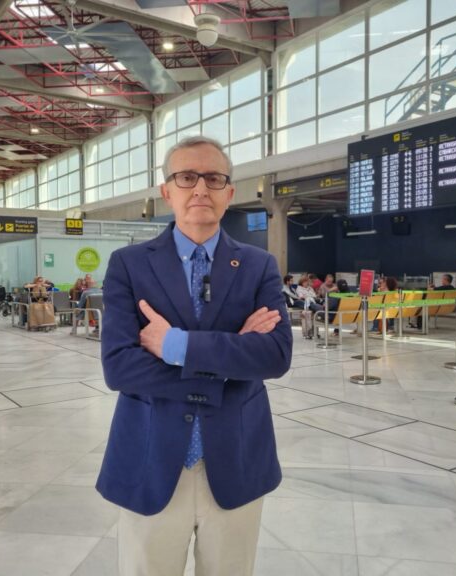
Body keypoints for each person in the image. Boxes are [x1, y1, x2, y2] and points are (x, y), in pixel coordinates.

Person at [97, 136, 292, 576]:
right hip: (152, 457)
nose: (200, 188)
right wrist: (228, 362)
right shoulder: (128, 265)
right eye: (186, 177)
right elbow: (120, 366)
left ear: (229, 192)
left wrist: (174, 346)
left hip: (237, 457)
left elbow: (276, 355)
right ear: (167, 191)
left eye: (213, 178)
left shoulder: (259, 266)